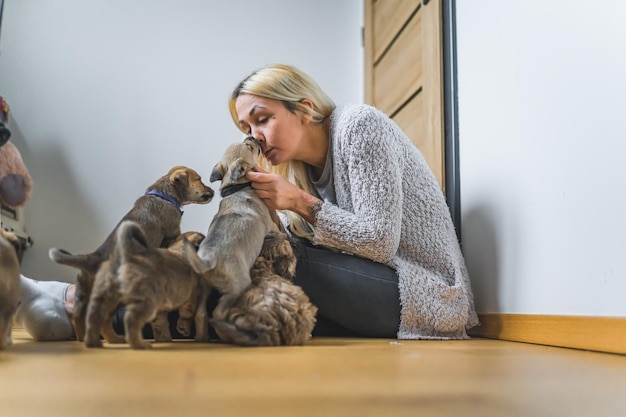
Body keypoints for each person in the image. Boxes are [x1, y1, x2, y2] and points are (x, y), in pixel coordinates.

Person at [16, 63, 479, 341]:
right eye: (246, 128)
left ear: (302, 107)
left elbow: (379, 242)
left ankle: (75, 304)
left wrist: (297, 203)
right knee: (236, 311)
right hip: (375, 293)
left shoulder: (358, 126)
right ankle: (83, 313)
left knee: (265, 255)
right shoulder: (302, 169)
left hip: (426, 298)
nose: (254, 135)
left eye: (262, 118)